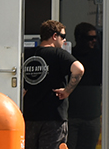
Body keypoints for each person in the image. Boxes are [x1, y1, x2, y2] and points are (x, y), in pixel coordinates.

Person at [24, 20, 85, 149]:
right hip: (53, 116)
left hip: (29, 116)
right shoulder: (59, 54)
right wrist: (67, 91)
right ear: (54, 36)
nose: (64, 40)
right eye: (63, 36)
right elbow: (79, 69)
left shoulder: (27, 55)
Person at [68, 23, 102, 149]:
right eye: (90, 38)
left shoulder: (99, 56)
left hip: (92, 114)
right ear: (80, 38)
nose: (94, 41)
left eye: (95, 38)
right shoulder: (70, 56)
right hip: (72, 114)